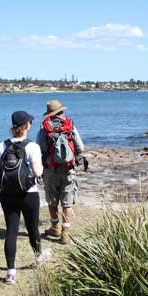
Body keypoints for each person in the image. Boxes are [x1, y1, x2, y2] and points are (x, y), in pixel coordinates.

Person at [0, 111, 50, 285]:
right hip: (29, 193)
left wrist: (4, 170)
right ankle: (38, 257)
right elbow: (37, 172)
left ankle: (11, 272)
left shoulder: (3, 145)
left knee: (11, 231)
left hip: (7, 194)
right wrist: (40, 170)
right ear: (27, 126)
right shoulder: (32, 146)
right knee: (32, 228)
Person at [36, 99, 85, 245]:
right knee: (67, 202)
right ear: (62, 111)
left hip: (50, 169)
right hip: (68, 169)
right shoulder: (69, 125)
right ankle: (65, 233)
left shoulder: (44, 127)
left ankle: (55, 227)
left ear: (50, 114)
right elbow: (80, 147)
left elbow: (40, 148)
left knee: (52, 200)